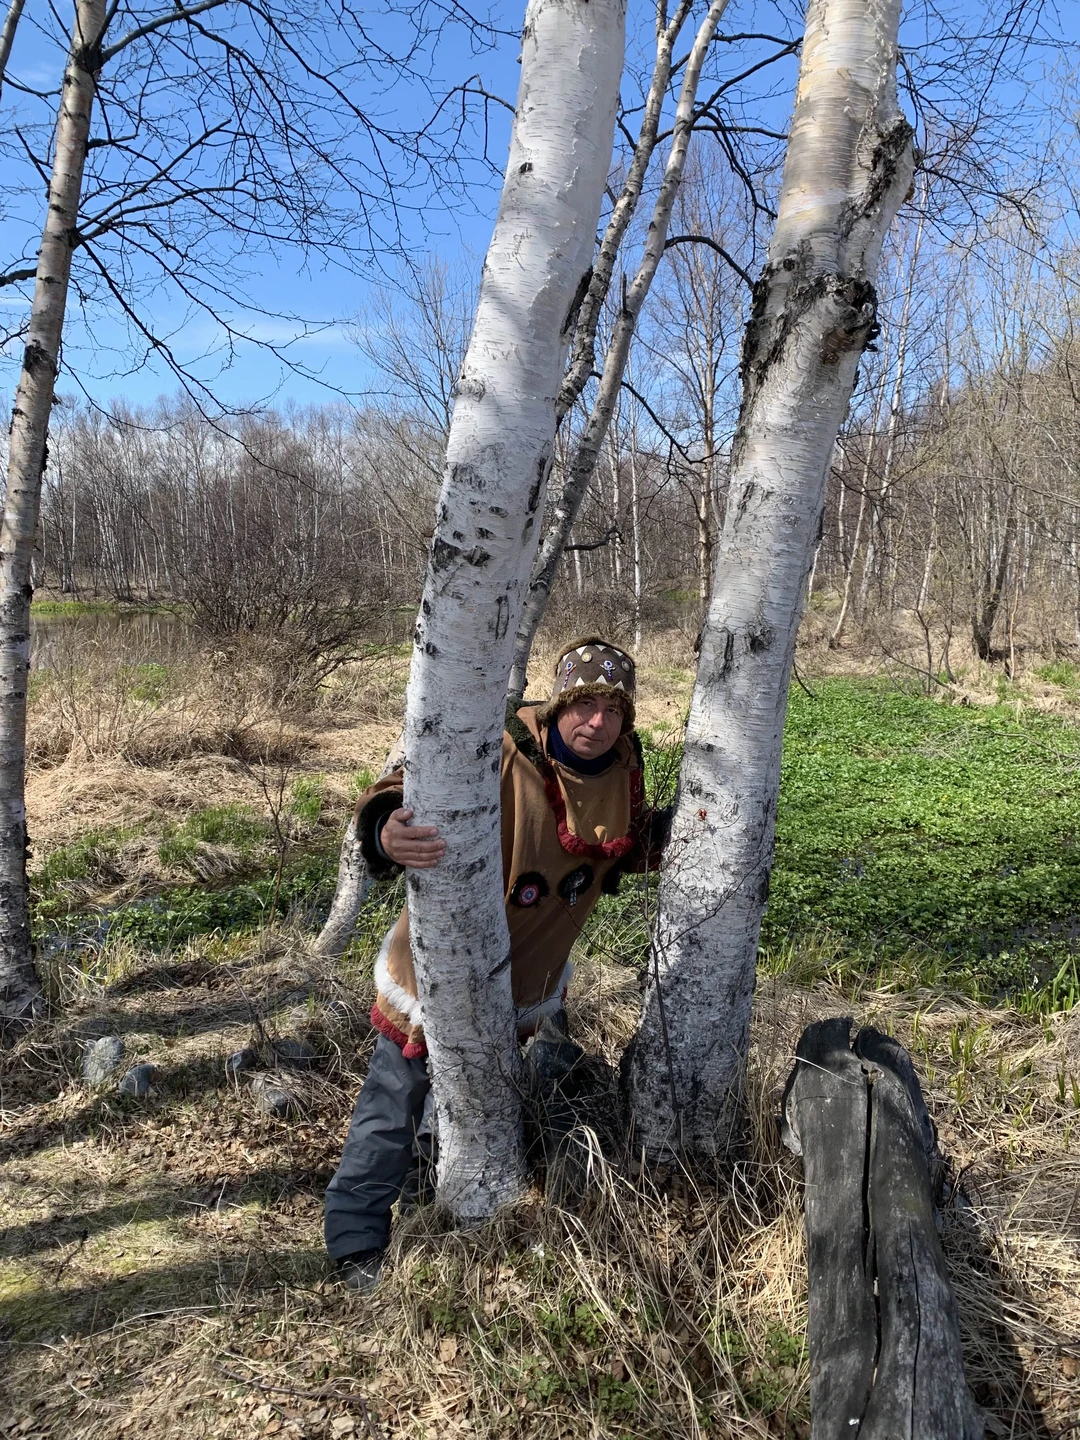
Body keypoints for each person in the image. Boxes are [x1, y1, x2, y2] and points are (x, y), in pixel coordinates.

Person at [324, 637, 669, 1291]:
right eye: (584, 705)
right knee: (392, 1104)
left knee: (489, 1110)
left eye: (613, 710)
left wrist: (702, 831)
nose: (597, 723)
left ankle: (452, 1205)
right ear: (560, 702)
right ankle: (355, 1241)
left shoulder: (623, 769)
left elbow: (623, 846)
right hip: (437, 979)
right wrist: (385, 829)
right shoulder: (501, 745)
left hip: (528, 989)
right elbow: (406, 786)